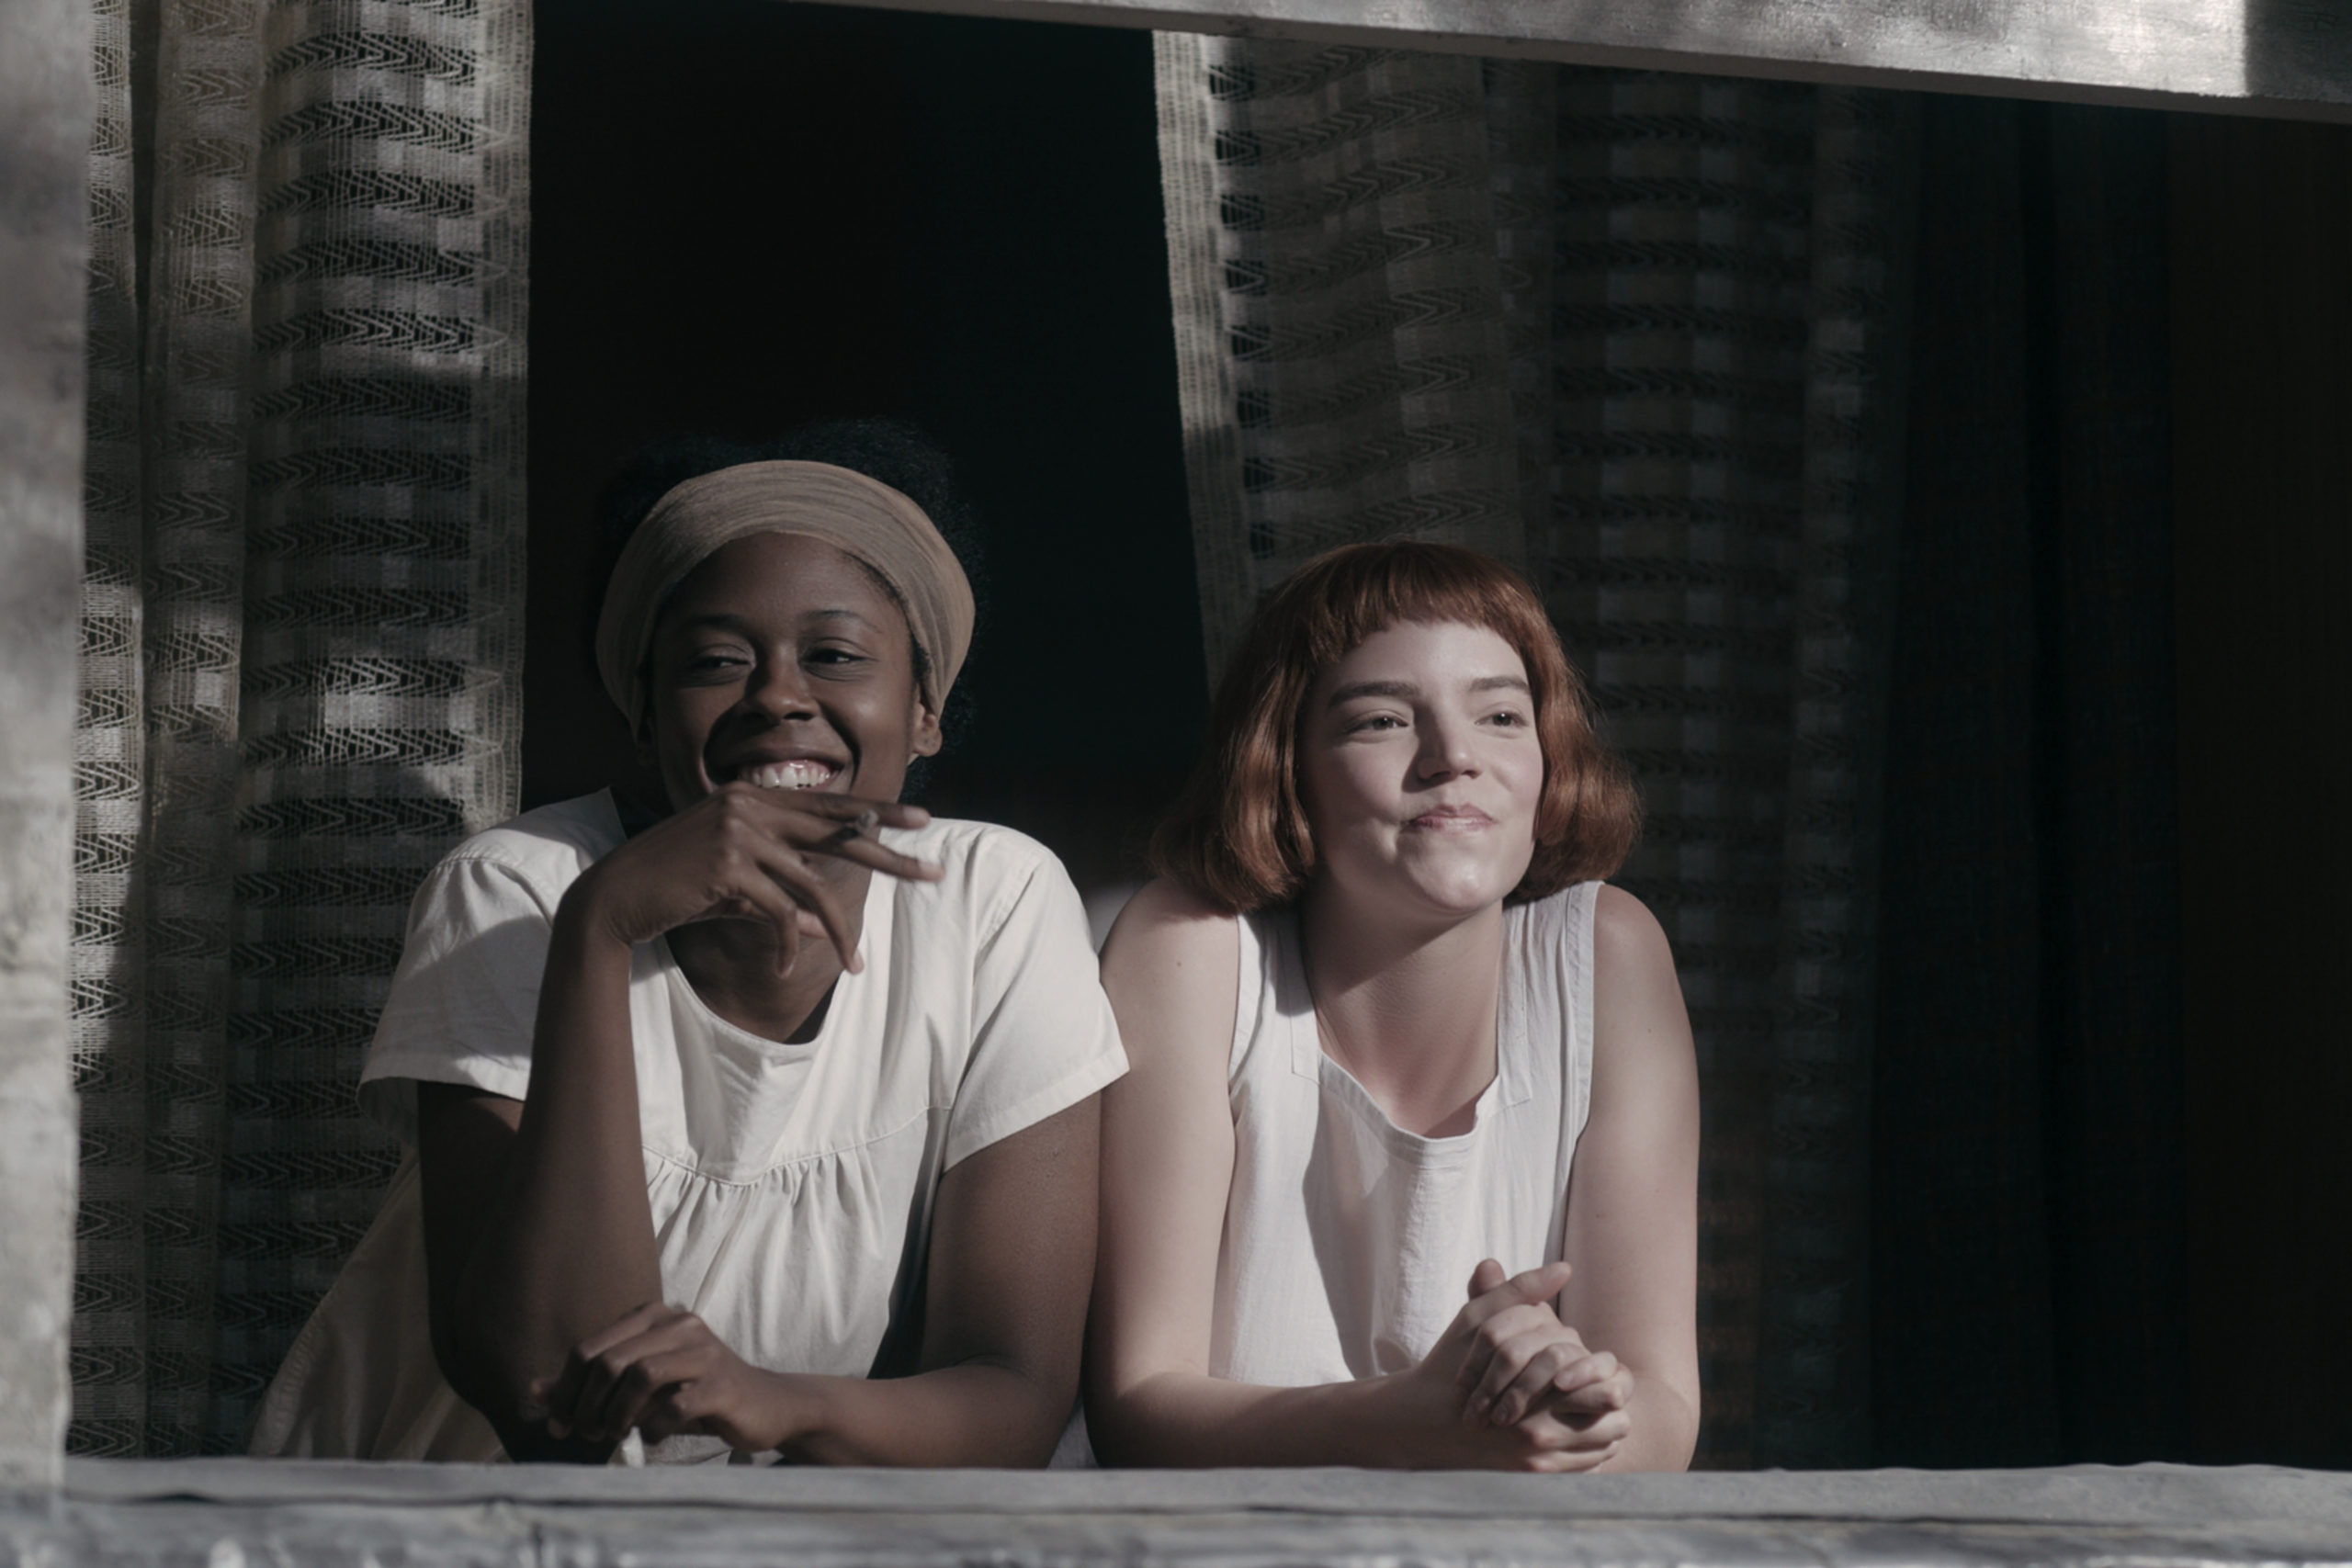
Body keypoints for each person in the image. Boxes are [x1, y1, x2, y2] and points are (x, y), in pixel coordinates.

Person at [249, 425, 1125, 1465]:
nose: (778, 698)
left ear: (926, 712)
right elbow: (546, 1405)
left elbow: (1010, 1401)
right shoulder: (517, 888)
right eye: (715, 662)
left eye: (836, 656)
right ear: (641, 711)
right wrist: (601, 926)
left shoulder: (992, 901)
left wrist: (776, 1403)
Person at [1085, 541, 1700, 1471]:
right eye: (1380, 721)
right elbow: (1138, 1410)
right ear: (1284, 762)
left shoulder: (1609, 953)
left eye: (1500, 714)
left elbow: (1660, 1416)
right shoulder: (1190, 949)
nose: (1455, 759)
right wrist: (1421, 1425)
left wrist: (1571, 1420)